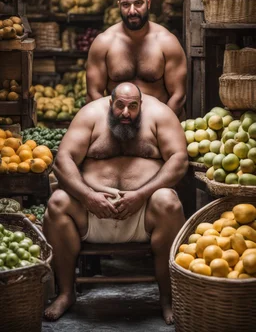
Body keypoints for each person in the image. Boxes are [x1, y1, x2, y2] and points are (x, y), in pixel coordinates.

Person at [43, 82, 188, 325]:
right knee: (58, 201)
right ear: (110, 103)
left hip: (143, 215)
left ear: (141, 105)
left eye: (133, 107)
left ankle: (167, 298)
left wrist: (142, 194)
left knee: (168, 201)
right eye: (120, 105)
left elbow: (180, 159)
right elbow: (62, 160)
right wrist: (88, 196)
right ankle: (66, 294)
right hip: (92, 213)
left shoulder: (161, 114)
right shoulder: (90, 114)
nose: (125, 113)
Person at [86, 0, 187, 120]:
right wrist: (113, 126)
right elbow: (93, 94)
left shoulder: (167, 42)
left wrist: (158, 126)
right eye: (126, 5)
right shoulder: (104, 43)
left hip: (159, 122)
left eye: (138, 3)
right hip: (116, 124)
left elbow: (178, 96)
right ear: (118, 6)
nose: (132, 11)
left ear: (149, 4)